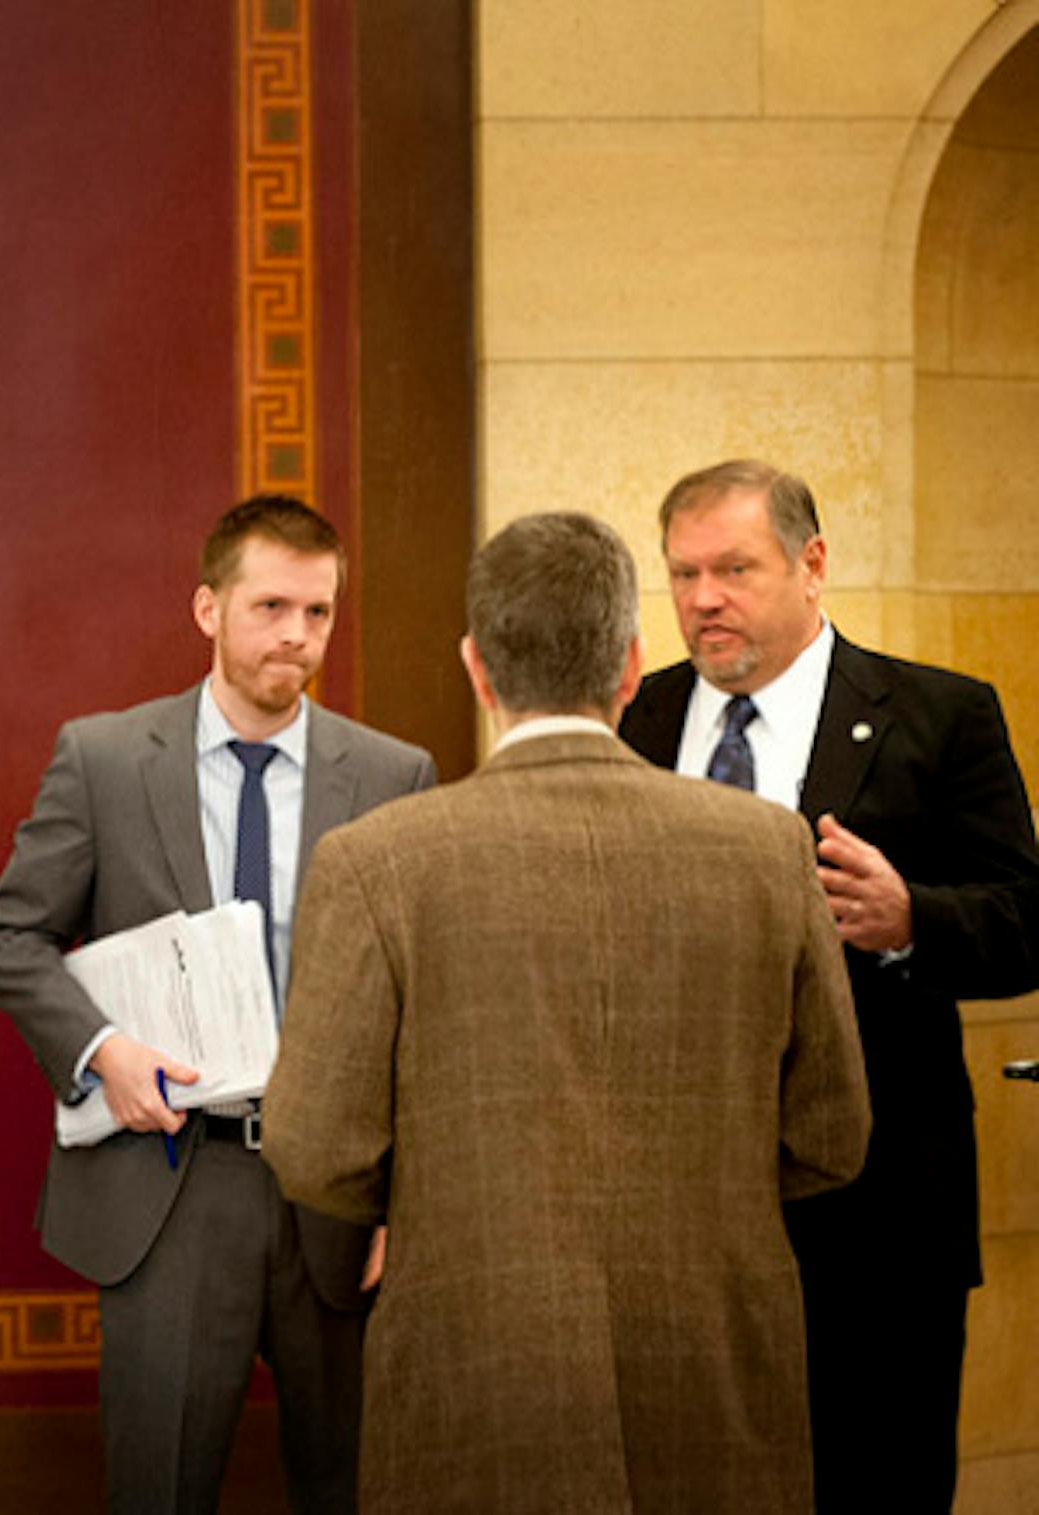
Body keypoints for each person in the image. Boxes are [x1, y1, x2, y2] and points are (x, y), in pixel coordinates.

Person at [263, 511, 871, 1513]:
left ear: (476, 668)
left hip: (477, 1366)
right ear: (632, 666)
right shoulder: (767, 849)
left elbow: (314, 1145)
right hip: (713, 1367)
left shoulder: (379, 861)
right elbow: (833, 1136)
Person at [0, 496, 435, 1513]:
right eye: (270, 606)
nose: (296, 636)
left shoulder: (395, 777)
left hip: (338, 1194)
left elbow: (422, 1005)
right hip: (172, 1182)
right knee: (160, 1492)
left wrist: (411, 1197)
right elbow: (10, 937)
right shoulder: (102, 760)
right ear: (207, 609)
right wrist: (102, 1053)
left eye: (317, 612)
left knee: (356, 1489)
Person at [617, 459, 1039, 1512]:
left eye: (732, 569)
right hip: (682, 1207)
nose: (703, 599)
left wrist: (911, 923)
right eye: (681, 574)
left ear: (811, 566)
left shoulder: (939, 715)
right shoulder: (642, 717)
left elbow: (1026, 924)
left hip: (880, 1208)